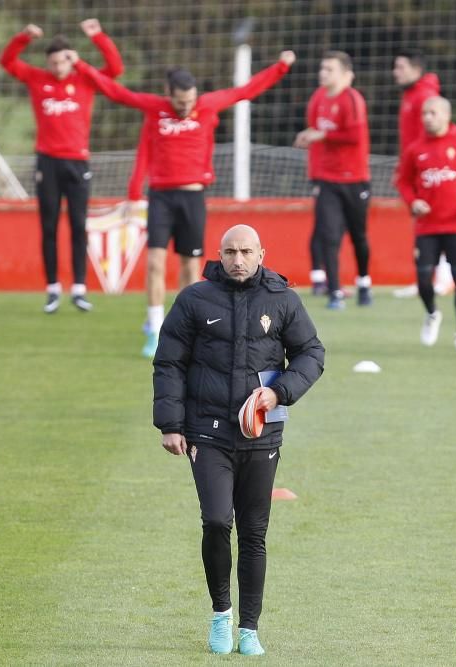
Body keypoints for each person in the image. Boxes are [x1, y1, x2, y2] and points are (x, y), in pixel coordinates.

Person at [153, 224, 324, 656]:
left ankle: (249, 628)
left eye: (246, 251)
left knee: (253, 532)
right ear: (219, 254)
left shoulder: (283, 299)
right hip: (207, 432)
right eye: (230, 251)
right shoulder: (194, 300)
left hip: (261, 433)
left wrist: (279, 391)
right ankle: (221, 614)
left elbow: (311, 353)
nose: (238, 259)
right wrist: (170, 424)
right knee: (215, 521)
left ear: (261, 253)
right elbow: (169, 362)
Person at [70, 49, 295, 357]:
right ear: (168, 94)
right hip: (162, 197)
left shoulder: (207, 106)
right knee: (154, 263)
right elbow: (115, 91)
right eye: (180, 101)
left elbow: (245, 91)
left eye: (190, 100)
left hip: (193, 196)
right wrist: (81, 65)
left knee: (191, 268)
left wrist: (281, 67)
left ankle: (188, 325)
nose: (186, 107)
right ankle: (154, 326)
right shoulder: (155, 108)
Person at [0, 19, 124, 314]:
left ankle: (79, 289)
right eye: (54, 62)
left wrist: (97, 37)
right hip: (48, 162)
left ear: (71, 59)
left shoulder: (85, 79)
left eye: (63, 61)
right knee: (49, 225)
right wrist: (24, 36)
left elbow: (115, 70)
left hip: (78, 161)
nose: (58, 67)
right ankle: (53, 288)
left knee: (79, 225)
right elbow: (7, 62)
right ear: (48, 62)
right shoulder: (36, 79)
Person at [396, 96, 456, 352]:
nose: (428, 117)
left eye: (433, 113)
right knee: (423, 278)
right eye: (425, 113)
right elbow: (403, 181)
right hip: (427, 226)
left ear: (446, 115)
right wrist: (413, 201)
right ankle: (432, 314)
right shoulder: (415, 149)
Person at [293, 51, 372, 310]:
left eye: (329, 69)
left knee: (358, 236)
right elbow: (317, 132)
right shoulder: (317, 98)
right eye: (322, 68)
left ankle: (363, 282)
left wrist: (321, 135)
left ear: (344, 74)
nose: (323, 73)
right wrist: (310, 138)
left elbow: (354, 136)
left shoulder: (352, 99)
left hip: (354, 178)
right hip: (326, 178)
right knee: (328, 234)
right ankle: (335, 291)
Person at [392, 48, 454, 298]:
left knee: (438, 220)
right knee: (424, 220)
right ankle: (427, 277)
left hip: (428, 167)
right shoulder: (410, 95)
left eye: (401, 67)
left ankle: (445, 277)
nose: (396, 73)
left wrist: (422, 164)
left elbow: (432, 132)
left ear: (416, 70)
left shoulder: (424, 95)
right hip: (416, 164)